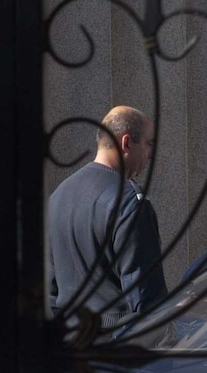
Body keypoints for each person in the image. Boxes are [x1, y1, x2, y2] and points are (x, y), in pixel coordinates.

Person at [48, 105, 168, 328]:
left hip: (68, 346)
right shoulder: (129, 202)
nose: (150, 155)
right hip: (115, 347)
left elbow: (50, 290)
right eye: (148, 144)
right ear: (126, 143)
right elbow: (145, 298)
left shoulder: (58, 196)